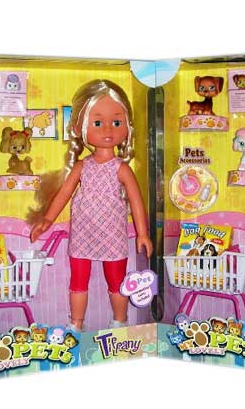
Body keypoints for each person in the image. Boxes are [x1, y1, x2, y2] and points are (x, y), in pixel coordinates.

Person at [29, 80, 153, 331]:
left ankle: (120, 322)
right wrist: (47, 219)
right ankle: (76, 324)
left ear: (127, 126)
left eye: (116, 122)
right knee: (78, 280)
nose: (107, 129)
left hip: (112, 232)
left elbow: (136, 200)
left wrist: (142, 233)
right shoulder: (82, 166)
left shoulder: (121, 168)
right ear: (79, 127)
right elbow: (64, 193)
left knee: (116, 280)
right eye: (97, 123)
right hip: (83, 230)